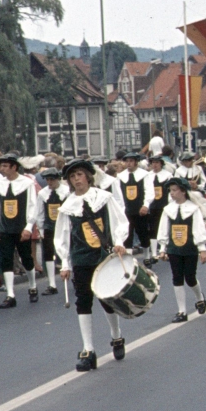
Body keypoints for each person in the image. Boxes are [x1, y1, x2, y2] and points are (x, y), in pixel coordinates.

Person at [54, 159, 129, 371]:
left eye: (79, 174)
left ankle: (116, 336)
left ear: (88, 176)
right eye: (72, 176)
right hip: (81, 258)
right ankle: (88, 349)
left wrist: (119, 242)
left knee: (107, 298)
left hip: (102, 256)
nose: (76, 179)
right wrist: (65, 263)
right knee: (83, 300)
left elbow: (118, 221)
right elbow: (63, 236)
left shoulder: (104, 198)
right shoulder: (67, 207)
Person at [156, 177, 206, 322]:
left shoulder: (193, 209)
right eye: (170, 191)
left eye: (174, 190)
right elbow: (164, 230)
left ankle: (199, 297)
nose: (171, 193)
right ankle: (182, 311)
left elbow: (198, 229)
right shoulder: (168, 210)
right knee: (177, 277)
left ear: (183, 191)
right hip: (174, 248)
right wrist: (163, 248)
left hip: (189, 248)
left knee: (190, 277)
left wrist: (202, 249)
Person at [0, 154, 39, 308]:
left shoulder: (27, 183)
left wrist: (28, 227)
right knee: (6, 260)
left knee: (26, 258)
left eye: (5, 166)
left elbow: (32, 205)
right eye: (1, 166)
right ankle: (10, 294)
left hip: (21, 227)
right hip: (5, 228)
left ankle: (32, 285)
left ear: (14, 167)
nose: (2, 169)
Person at [36, 167, 68, 294]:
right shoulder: (43, 193)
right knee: (48, 254)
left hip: (64, 227)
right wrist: (41, 228)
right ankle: (52, 284)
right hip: (49, 226)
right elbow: (40, 212)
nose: (49, 182)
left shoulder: (66, 192)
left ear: (57, 179)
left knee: (67, 251)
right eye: (47, 180)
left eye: (52, 180)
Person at [115, 152, 153, 254]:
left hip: (140, 210)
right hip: (126, 211)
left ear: (136, 162)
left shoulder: (144, 175)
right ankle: (129, 260)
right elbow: (118, 195)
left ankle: (147, 257)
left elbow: (149, 191)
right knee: (127, 236)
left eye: (131, 161)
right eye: (127, 161)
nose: (129, 163)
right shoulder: (120, 177)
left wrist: (146, 205)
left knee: (143, 234)